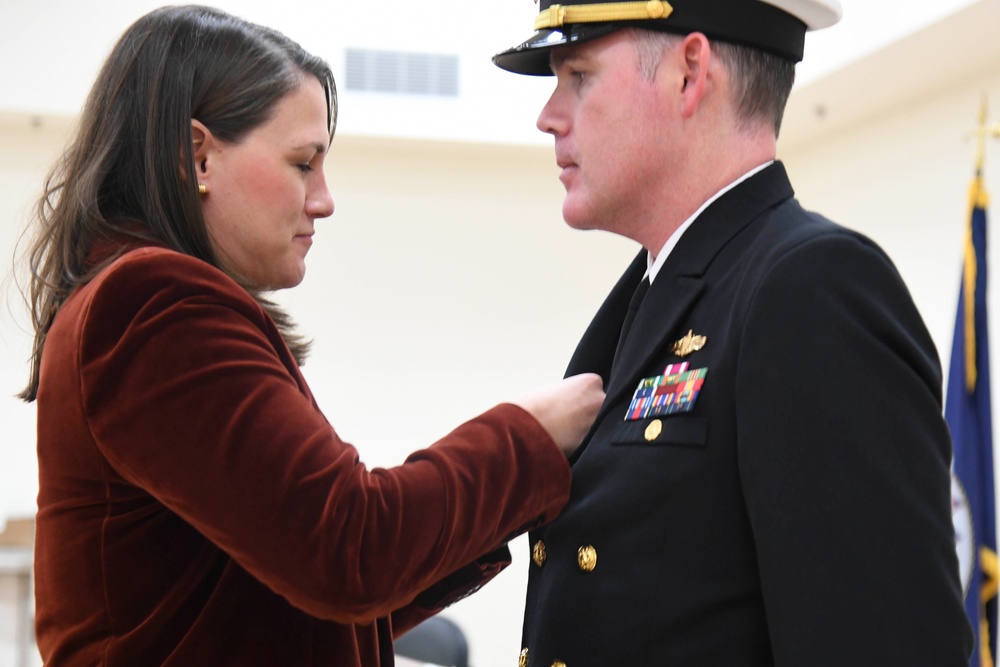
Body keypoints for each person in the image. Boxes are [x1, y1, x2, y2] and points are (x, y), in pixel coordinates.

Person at [17, 6, 605, 666]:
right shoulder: (151, 305)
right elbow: (349, 551)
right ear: (198, 154)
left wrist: (501, 499)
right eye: (304, 163)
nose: (324, 199)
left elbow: (291, 595)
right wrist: (528, 434)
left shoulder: (135, 302)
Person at [493, 0, 974, 664]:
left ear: (690, 73)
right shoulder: (661, 294)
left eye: (577, 75)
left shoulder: (810, 288)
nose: (548, 114)